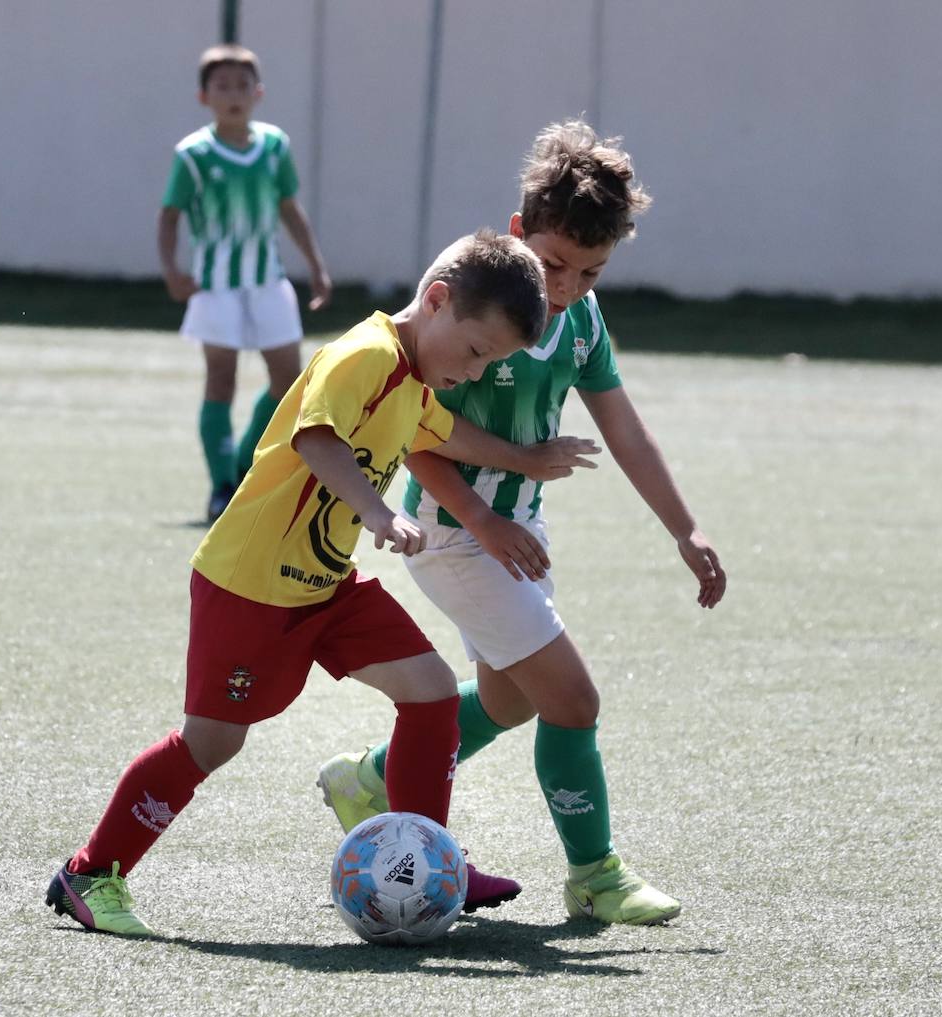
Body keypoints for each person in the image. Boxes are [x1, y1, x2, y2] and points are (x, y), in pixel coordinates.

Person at [46, 230, 602, 936]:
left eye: (489, 361)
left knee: (430, 693)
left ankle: (428, 867)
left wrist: (525, 458)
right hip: (250, 585)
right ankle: (91, 871)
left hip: (325, 584)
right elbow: (316, 438)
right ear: (435, 301)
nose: (473, 371)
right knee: (211, 744)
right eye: (474, 351)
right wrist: (375, 511)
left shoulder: (416, 378)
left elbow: (444, 435)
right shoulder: (363, 355)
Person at [317, 121, 727, 926]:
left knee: (510, 700)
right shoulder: (479, 304)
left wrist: (685, 527)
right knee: (573, 699)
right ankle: (595, 874)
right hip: (453, 531)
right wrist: (481, 510)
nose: (567, 285)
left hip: (513, 533)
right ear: (515, 235)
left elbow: (625, 428)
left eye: (590, 270)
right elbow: (413, 426)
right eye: (554, 264)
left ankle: (368, 778)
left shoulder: (583, 318)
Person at [158, 43, 333, 523]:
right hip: (215, 288)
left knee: (287, 380)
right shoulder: (193, 154)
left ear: (258, 92)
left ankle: (242, 467)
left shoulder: (274, 145)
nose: (233, 95)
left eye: (241, 85)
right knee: (221, 379)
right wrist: (173, 271)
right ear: (203, 96)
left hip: (268, 283)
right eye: (222, 86)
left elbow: (289, 208)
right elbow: (170, 217)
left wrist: (316, 264)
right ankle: (220, 487)